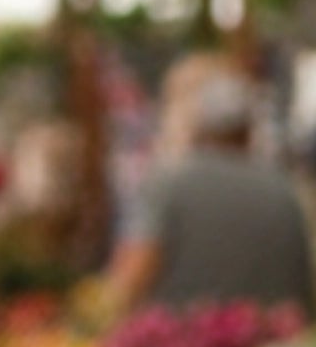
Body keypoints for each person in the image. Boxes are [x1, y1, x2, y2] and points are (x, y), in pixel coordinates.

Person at [107, 61, 315, 316]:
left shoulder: (170, 184)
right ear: (248, 128)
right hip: (277, 346)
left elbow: (130, 280)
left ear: (198, 124)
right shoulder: (284, 190)